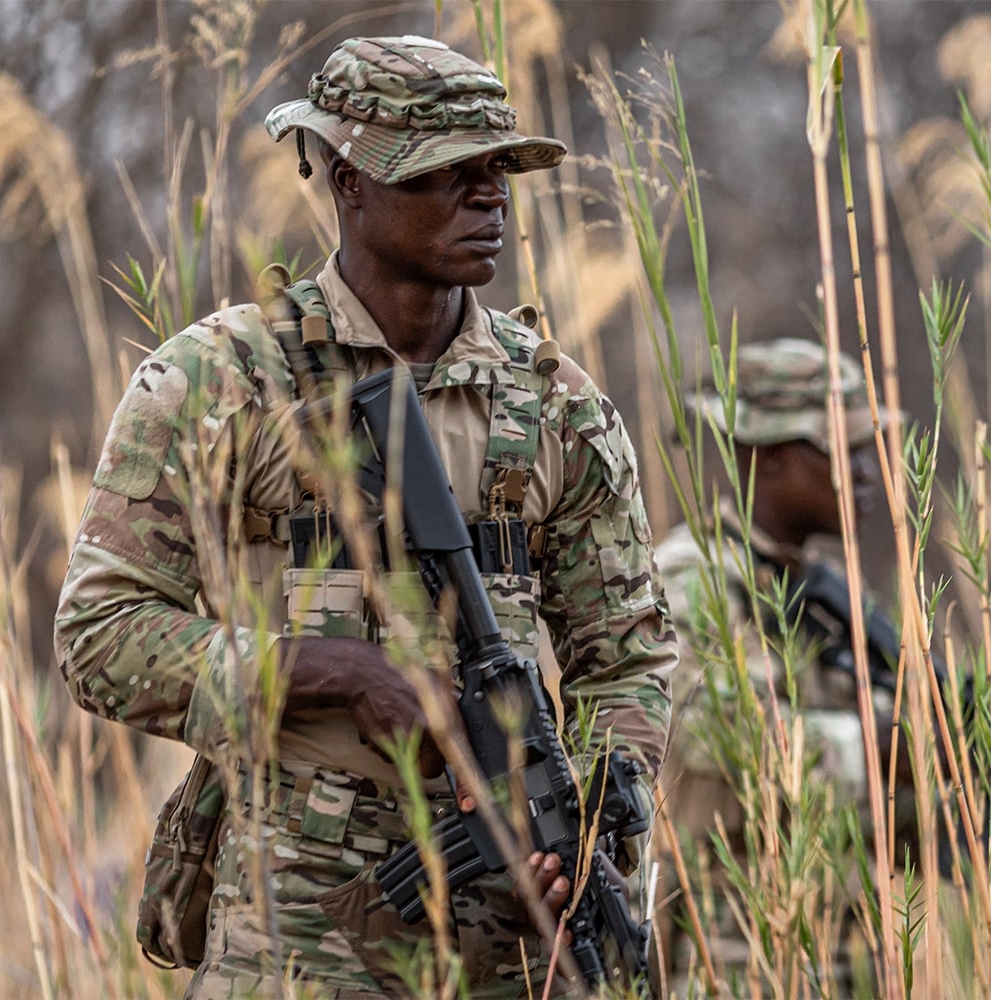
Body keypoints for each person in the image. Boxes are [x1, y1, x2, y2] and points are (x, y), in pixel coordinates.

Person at [53, 35, 674, 998]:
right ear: (348, 180)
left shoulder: (557, 406)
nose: (490, 198)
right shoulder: (219, 381)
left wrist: (589, 817)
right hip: (291, 937)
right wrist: (335, 672)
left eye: (498, 171)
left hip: (509, 947)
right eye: (448, 174)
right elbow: (99, 635)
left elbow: (626, 660)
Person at [654, 339, 991, 986]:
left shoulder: (830, 595)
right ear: (772, 459)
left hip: (848, 950)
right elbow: (725, 738)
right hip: (734, 952)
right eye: (846, 451)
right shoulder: (694, 578)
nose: (871, 470)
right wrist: (888, 748)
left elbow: (883, 813)